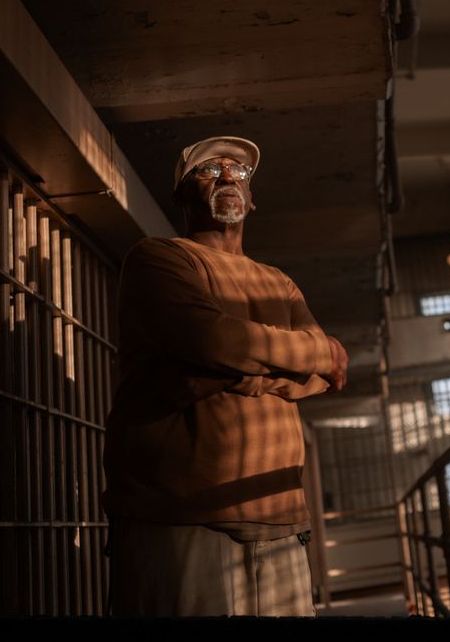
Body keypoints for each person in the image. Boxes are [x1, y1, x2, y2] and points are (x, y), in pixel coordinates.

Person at [102, 135, 349, 617]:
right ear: (181, 196)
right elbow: (215, 341)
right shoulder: (159, 258)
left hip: (279, 516)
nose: (228, 176)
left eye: (238, 171)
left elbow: (326, 374)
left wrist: (228, 374)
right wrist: (296, 360)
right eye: (209, 170)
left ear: (252, 198)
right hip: (180, 517)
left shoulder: (280, 281)